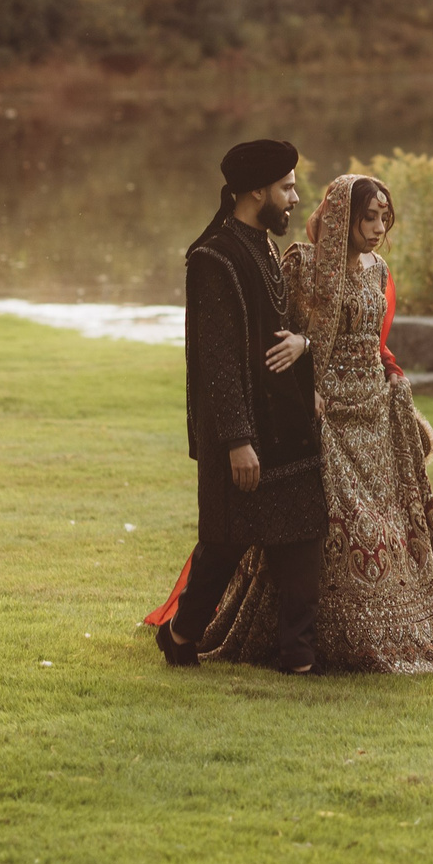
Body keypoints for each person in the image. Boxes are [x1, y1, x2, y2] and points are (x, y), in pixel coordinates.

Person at [197, 172, 433, 673]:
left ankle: (387, 638)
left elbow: (378, 344)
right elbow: (280, 331)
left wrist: (398, 392)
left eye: (385, 217)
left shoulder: (379, 271)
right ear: (342, 216)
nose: (378, 228)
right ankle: (311, 643)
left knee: (388, 528)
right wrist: (304, 372)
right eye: (369, 217)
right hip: (321, 412)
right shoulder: (302, 263)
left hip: (373, 418)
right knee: (335, 529)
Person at [146, 139, 328, 674]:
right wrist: (237, 440)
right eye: (287, 188)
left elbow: (276, 328)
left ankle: (299, 656)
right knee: (225, 543)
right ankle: (179, 634)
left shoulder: (264, 246)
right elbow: (218, 361)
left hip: (285, 421)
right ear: (256, 191)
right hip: (244, 430)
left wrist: (303, 347)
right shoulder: (213, 258)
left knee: (303, 531)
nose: (295, 198)